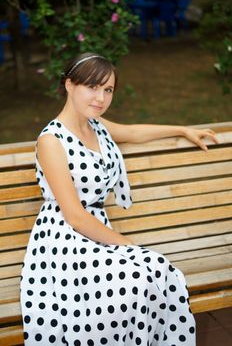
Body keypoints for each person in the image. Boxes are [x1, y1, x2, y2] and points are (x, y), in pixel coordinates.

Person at [20, 52, 218, 346]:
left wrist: (182, 130)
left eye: (108, 89)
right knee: (140, 274)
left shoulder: (95, 125)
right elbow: (74, 216)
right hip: (64, 241)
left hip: (96, 231)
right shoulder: (52, 141)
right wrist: (128, 245)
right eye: (92, 87)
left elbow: (133, 132)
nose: (100, 97)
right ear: (70, 85)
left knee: (155, 272)